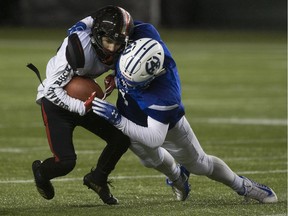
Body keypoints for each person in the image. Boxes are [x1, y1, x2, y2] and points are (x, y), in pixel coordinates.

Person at [91, 36, 278, 203]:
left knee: (200, 165)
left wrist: (117, 119)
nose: (126, 83)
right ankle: (178, 178)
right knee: (149, 161)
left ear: (152, 76)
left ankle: (243, 186)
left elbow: (155, 138)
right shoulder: (138, 39)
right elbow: (126, 23)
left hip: (168, 127)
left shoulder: (164, 96)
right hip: (131, 116)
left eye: (133, 82)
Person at [31, 6, 134, 205]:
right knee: (66, 162)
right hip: (56, 102)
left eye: (118, 42)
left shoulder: (117, 44)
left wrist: (116, 77)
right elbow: (52, 89)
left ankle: (98, 179)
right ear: (97, 35)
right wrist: (80, 107)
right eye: (109, 41)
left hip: (83, 98)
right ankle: (41, 171)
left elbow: (97, 16)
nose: (112, 48)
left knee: (120, 139)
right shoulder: (78, 47)